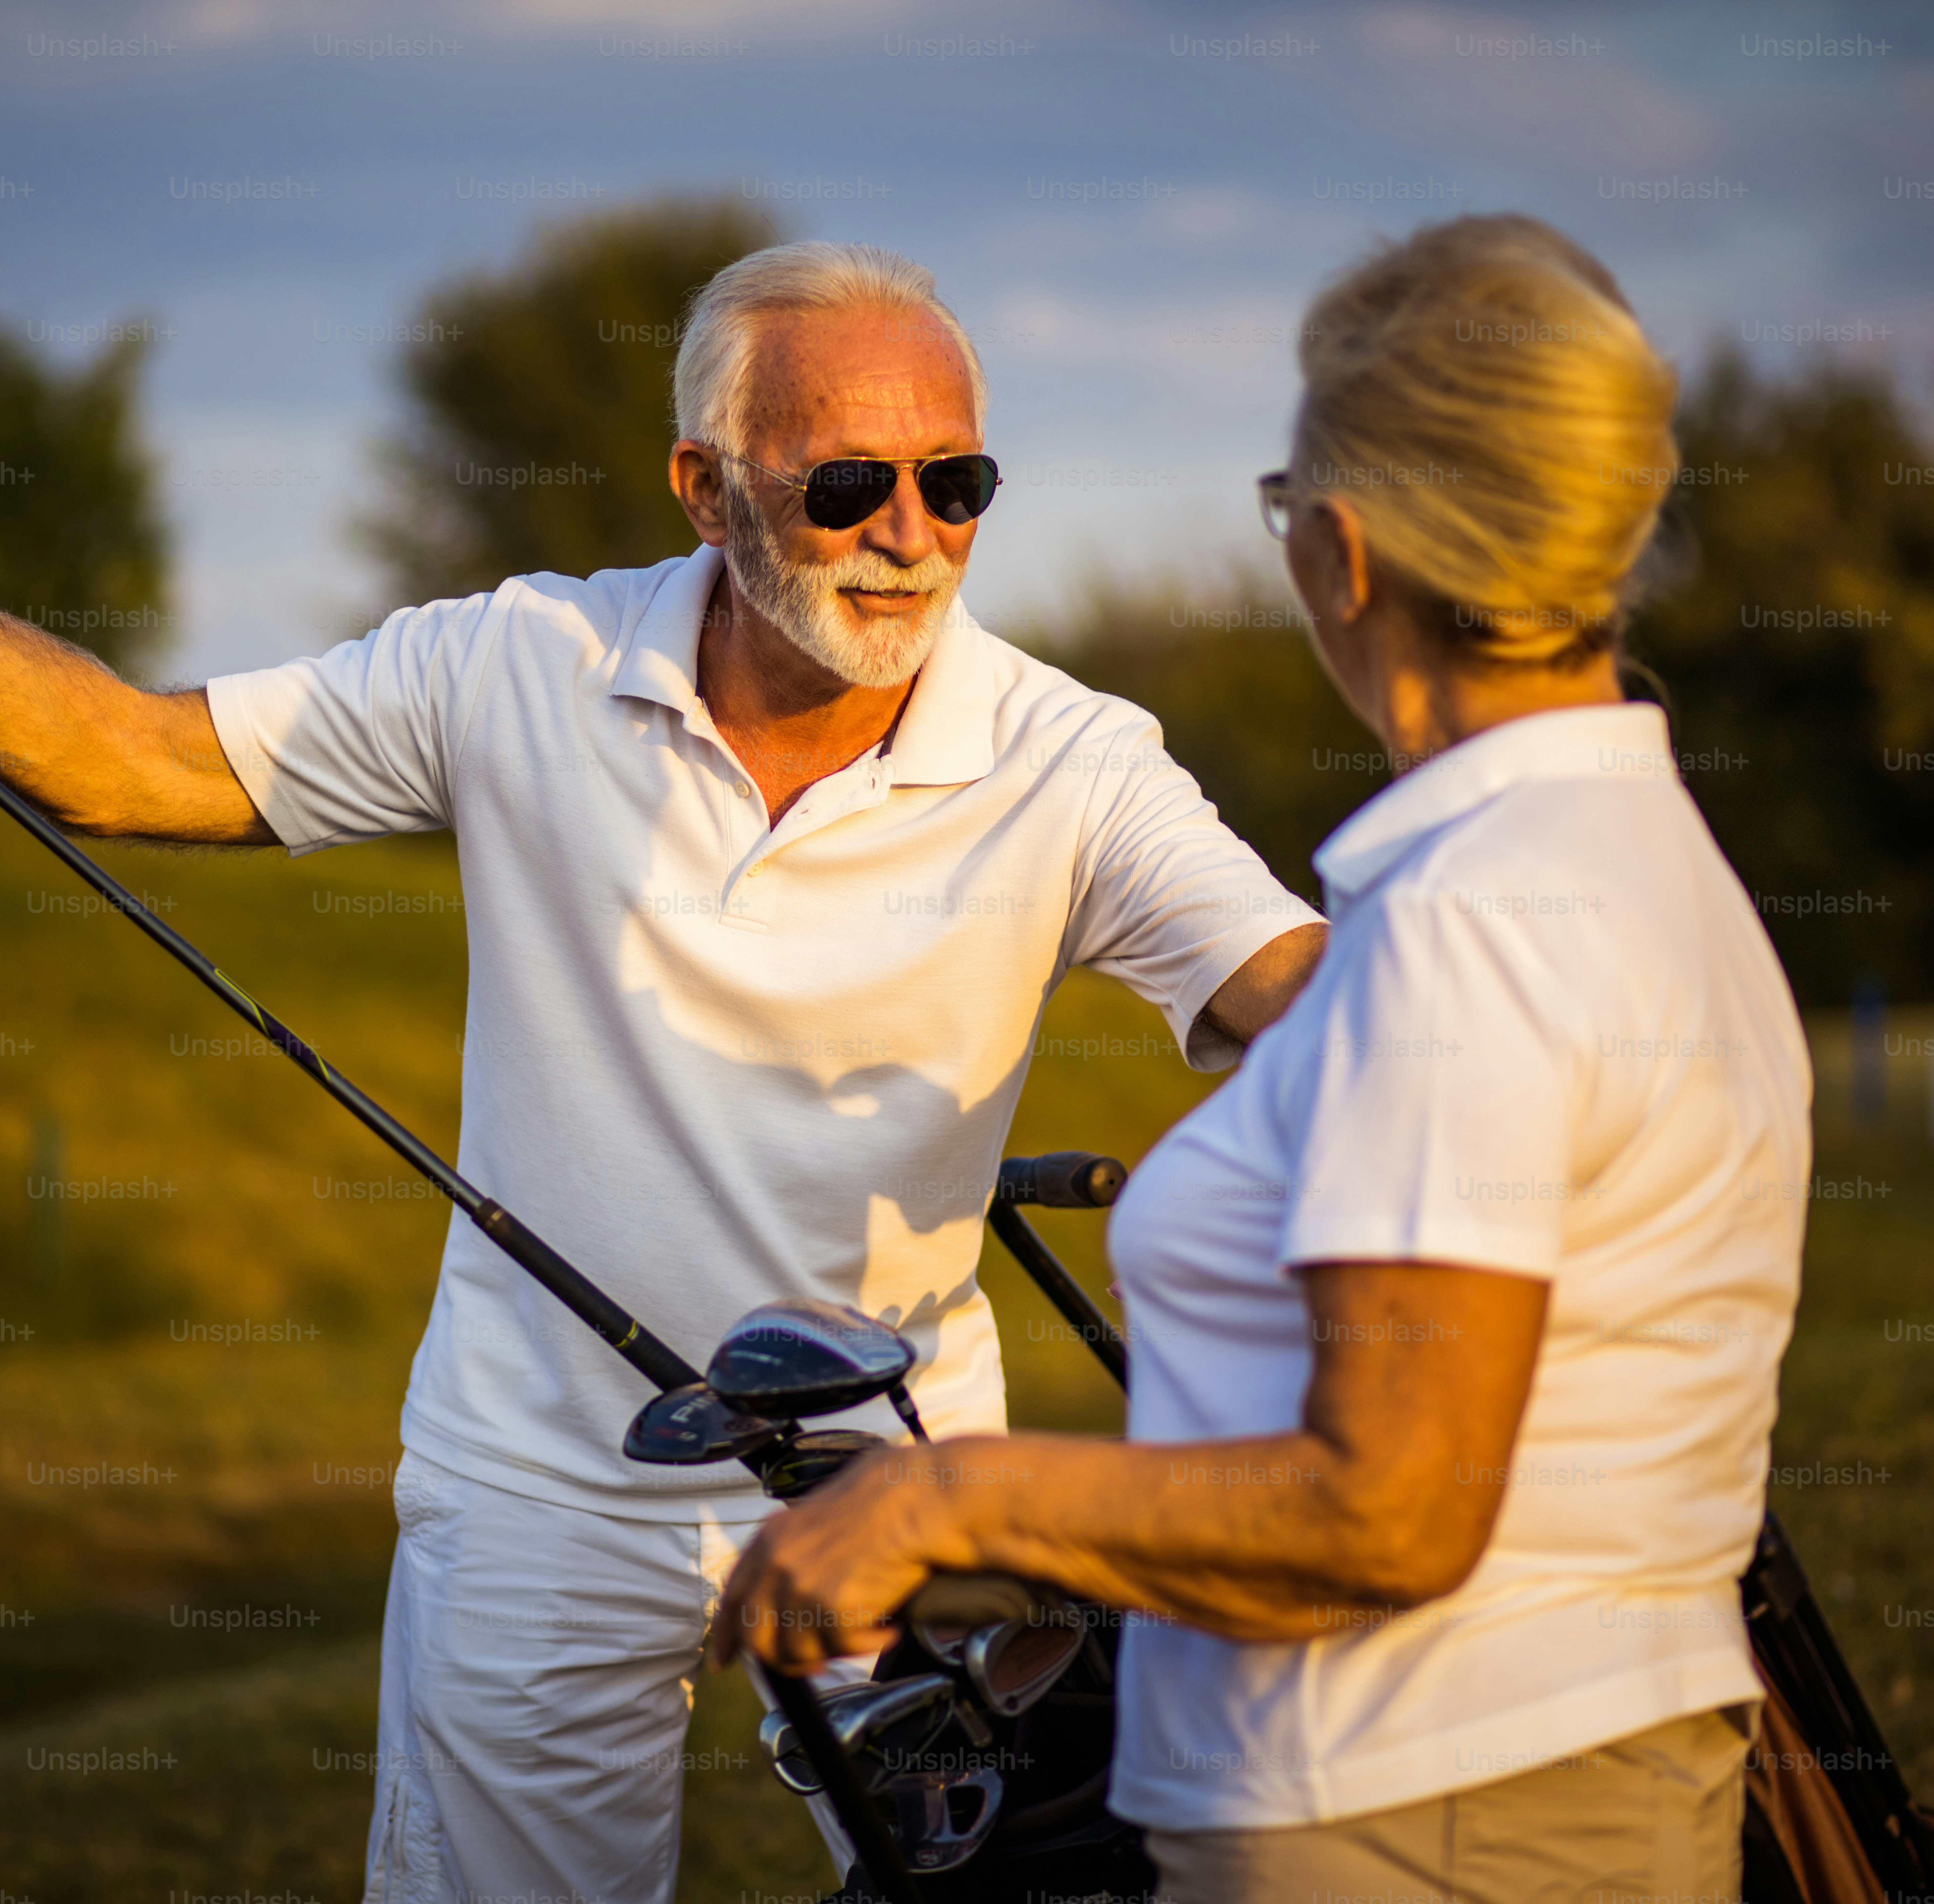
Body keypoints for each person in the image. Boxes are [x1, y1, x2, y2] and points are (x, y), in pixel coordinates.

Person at [0, 240, 1327, 1902]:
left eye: (957, 487)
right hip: (541, 1495)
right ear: (706, 491)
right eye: (842, 486)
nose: (908, 535)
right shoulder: (519, 661)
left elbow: (1302, 1002)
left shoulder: (1074, 759)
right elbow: (124, 759)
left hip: (907, 1485)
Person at [716, 214, 1810, 1904]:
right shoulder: (1635, 853)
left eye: (1282, 505)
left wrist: (955, 1508)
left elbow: (1387, 1515)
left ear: (1345, 555)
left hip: (1412, 1823)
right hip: (1558, 1785)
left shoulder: (1472, 922)